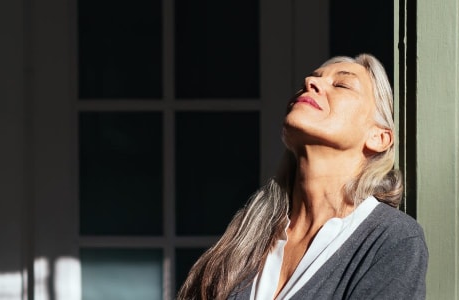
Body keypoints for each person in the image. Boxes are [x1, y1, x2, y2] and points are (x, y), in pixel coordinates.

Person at [178, 54, 427, 300]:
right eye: (311, 79)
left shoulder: (391, 240)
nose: (310, 82)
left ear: (378, 138)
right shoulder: (245, 238)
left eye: (341, 84)